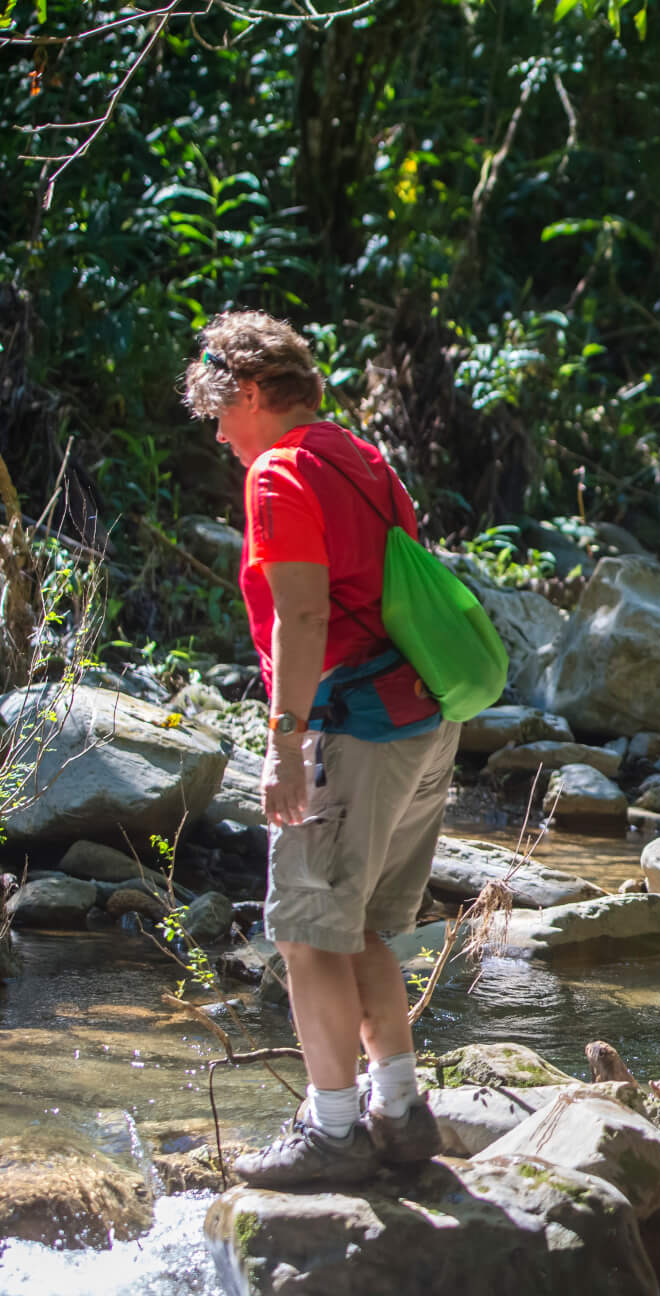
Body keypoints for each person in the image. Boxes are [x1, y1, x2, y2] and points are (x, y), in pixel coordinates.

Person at [183, 310, 458, 1186]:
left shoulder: (278, 473)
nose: (221, 435)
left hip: (352, 724)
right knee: (364, 927)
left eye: (221, 414)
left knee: (305, 932)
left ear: (254, 393)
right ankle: (401, 1112)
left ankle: (333, 1132)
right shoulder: (359, 454)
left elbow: (304, 612)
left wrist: (283, 740)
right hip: (419, 716)